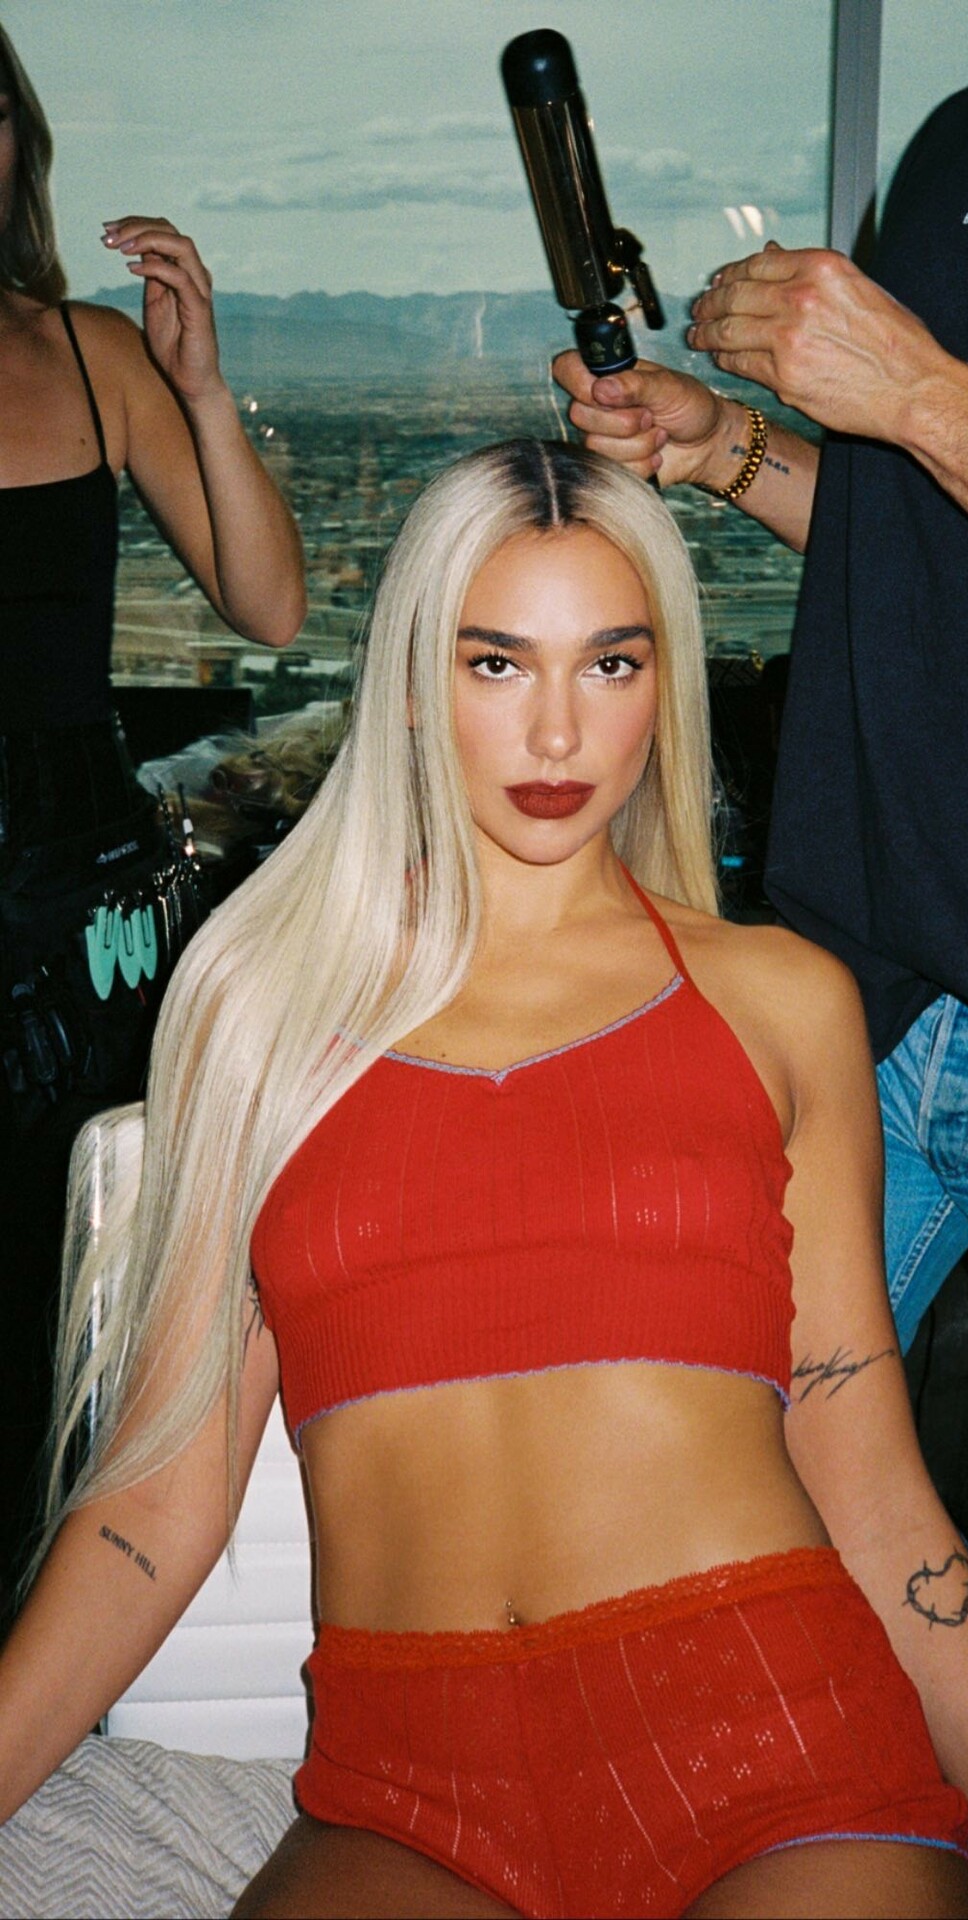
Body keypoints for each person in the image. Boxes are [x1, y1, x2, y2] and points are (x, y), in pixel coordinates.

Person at [2, 438, 968, 1918]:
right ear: (411, 680)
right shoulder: (259, 1009)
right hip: (411, 1783)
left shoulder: (778, 1002)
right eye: (496, 664)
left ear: (665, 681)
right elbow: (152, 1508)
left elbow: (875, 1492)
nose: (559, 732)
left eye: (611, 663)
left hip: (772, 1728)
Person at [554, 0, 968, 1798]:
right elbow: (932, 541)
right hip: (862, 990)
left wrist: (918, 388)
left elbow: (950, 433)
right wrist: (730, 450)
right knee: (719, 1490)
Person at [0, 24, 306, 1613]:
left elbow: (270, 604)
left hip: (77, 930)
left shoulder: (85, 354)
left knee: (66, 1345)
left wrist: (197, 383)